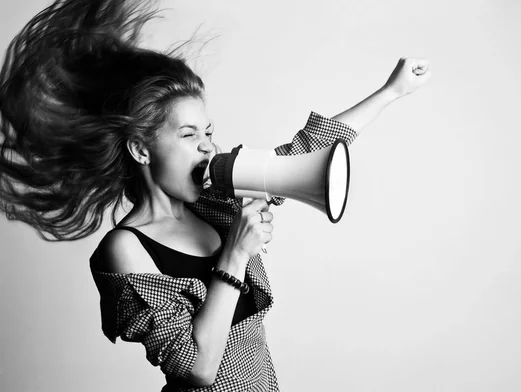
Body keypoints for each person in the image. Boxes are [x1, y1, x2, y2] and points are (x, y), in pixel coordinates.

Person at [0, 0, 431, 391]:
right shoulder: (125, 249)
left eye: (208, 131)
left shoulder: (216, 202)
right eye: (188, 135)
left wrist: (390, 93)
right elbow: (196, 368)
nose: (208, 146)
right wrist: (235, 255)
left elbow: (306, 149)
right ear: (140, 149)